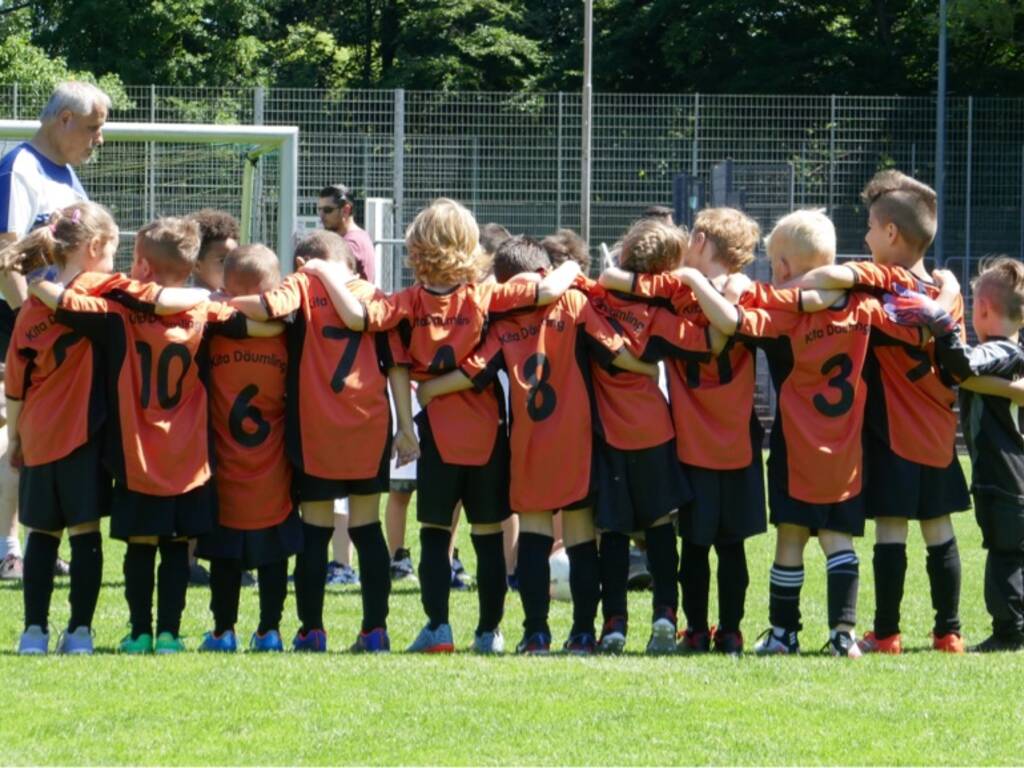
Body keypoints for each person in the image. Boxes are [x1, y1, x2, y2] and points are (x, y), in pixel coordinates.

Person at [299, 197, 581, 653]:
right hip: (488, 433)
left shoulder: (407, 302)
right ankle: (489, 632)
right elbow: (548, 293)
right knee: (488, 538)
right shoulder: (485, 295)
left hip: (437, 437)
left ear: (415, 248)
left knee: (434, 535)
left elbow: (355, 316)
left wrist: (324, 272)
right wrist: (568, 271)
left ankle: (438, 628)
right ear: (469, 246)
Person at [680, 209, 925, 657]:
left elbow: (734, 321)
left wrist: (701, 285)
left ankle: (783, 632)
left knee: (791, 535)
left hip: (796, 446)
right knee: (838, 540)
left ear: (785, 267)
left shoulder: (785, 315)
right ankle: (842, 634)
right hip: (847, 448)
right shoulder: (864, 307)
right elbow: (908, 309)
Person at [26, 217, 277, 654]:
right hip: (188, 456)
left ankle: (139, 632)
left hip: (137, 453)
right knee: (178, 546)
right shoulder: (204, 311)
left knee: (141, 546)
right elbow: (259, 325)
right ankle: (169, 635)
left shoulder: (117, 311)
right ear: (191, 266)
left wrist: (30, 277)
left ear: (141, 264)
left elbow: (61, 301)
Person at [417, 236, 658, 654]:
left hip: (529, 441)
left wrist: (429, 389)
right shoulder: (574, 304)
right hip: (576, 439)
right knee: (581, 535)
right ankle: (583, 633)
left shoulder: (505, 322)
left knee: (534, 534)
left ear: (508, 283)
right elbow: (611, 349)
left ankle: (536, 634)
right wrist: (647, 368)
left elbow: (477, 370)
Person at [792, 171, 971, 654]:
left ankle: (887, 633)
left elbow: (826, 276)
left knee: (892, 527)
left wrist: (830, 281)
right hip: (938, 430)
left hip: (894, 430)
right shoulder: (944, 293)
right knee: (939, 529)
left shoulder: (883, 278)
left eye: (870, 227)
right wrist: (951, 290)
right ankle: (948, 632)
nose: (866, 237)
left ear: (891, 233)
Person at [598, 207, 780, 654]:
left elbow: (614, 282)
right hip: (738, 443)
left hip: (693, 443)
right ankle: (731, 630)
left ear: (698, 241)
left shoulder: (675, 291)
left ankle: (697, 629)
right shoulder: (746, 292)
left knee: (696, 548)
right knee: (731, 547)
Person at [228, 229, 417, 653]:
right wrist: (406, 427)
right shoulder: (375, 296)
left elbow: (268, 310)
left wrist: (221, 302)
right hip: (368, 426)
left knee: (315, 531)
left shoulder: (302, 284)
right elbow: (397, 366)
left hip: (314, 429)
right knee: (367, 529)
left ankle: (311, 630)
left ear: (304, 265)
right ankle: (375, 631)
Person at [584, 218, 714, 654]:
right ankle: (665, 613)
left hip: (611, 435)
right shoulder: (661, 313)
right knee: (660, 526)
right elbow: (706, 342)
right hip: (655, 432)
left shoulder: (596, 301)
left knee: (614, 530)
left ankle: (615, 623)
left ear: (625, 255)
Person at [884, 259, 1024, 652]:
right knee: (1012, 554)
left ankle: (1009, 634)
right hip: (1013, 477)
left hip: (1004, 478)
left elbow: (962, 365)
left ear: (980, 310)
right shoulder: (1015, 353)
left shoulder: (998, 350)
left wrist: (940, 322)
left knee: (1004, 557)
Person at [0, 80, 110, 580]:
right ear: (63, 120)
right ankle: (8, 548)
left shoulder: (66, 174)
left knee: (44, 437)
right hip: (20, 323)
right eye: (92, 127)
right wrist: (33, 324)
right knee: (13, 433)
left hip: (57, 326)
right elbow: (5, 259)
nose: (98, 139)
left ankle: (37, 538)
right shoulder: (18, 167)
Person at [3, 202, 119, 654]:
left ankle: (34, 632)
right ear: (93, 247)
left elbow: (16, 385)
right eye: (112, 249)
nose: (115, 261)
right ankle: (80, 633)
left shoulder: (33, 308)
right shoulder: (106, 297)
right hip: (84, 437)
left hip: (38, 435)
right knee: (86, 533)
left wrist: (15, 437)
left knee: (42, 536)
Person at [195, 244, 299, 653]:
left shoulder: (213, 331)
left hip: (225, 467)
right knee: (274, 556)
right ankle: (269, 631)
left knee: (225, 558)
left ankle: (223, 631)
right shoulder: (289, 334)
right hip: (273, 469)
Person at [317, 184, 376, 284]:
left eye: (327, 210)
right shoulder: (360, 236)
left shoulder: (350, 244)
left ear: (346, 210)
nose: (321, 216)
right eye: (319, 210)